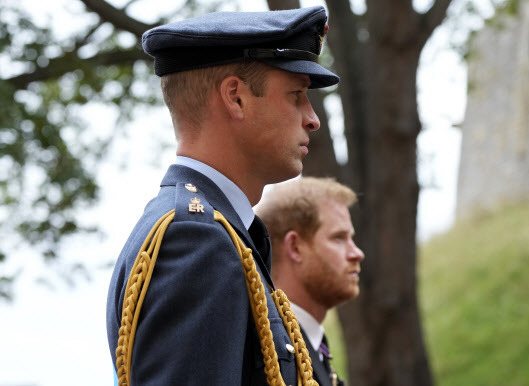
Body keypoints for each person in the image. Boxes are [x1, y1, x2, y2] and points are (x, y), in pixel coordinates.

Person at [105, 6, 339, 386]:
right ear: (236, 98)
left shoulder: (224, 231)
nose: (312, 118)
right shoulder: (196, 239)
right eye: (296, 95)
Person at [255, 177, 365, 386]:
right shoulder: (271, 357)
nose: (357, 253)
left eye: (352, 238)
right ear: (296, 247)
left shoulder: (309, 343)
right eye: (339, 238)